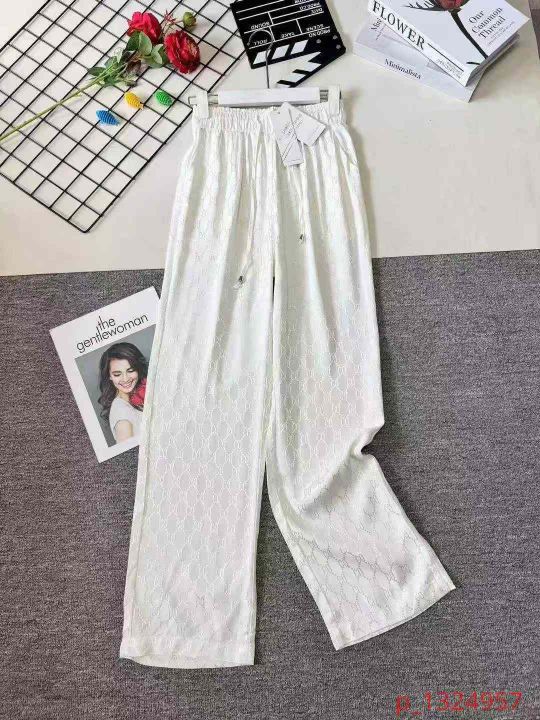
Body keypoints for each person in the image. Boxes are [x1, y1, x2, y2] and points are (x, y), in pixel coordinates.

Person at [98, 342, 147, 443]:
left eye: (130, 370)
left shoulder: (133, 399)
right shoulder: (122, 413)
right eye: (117, 374)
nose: (125, 379)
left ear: (138, 369)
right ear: (109, 376)